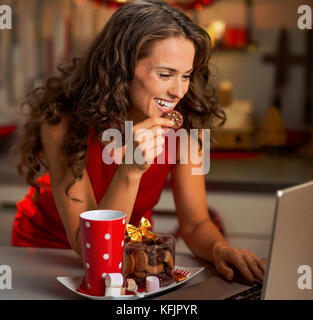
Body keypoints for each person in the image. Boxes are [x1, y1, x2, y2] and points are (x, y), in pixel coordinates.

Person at [12, 0, 265, 283]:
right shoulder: (62, 121)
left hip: (125, 251)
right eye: (165, 74)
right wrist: (131, 170)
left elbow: (195, 223)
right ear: (123, 68)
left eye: (186, 76)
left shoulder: (185, 122)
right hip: (47, 252)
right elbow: (90, 251)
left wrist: (221, 249)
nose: (178, 91)